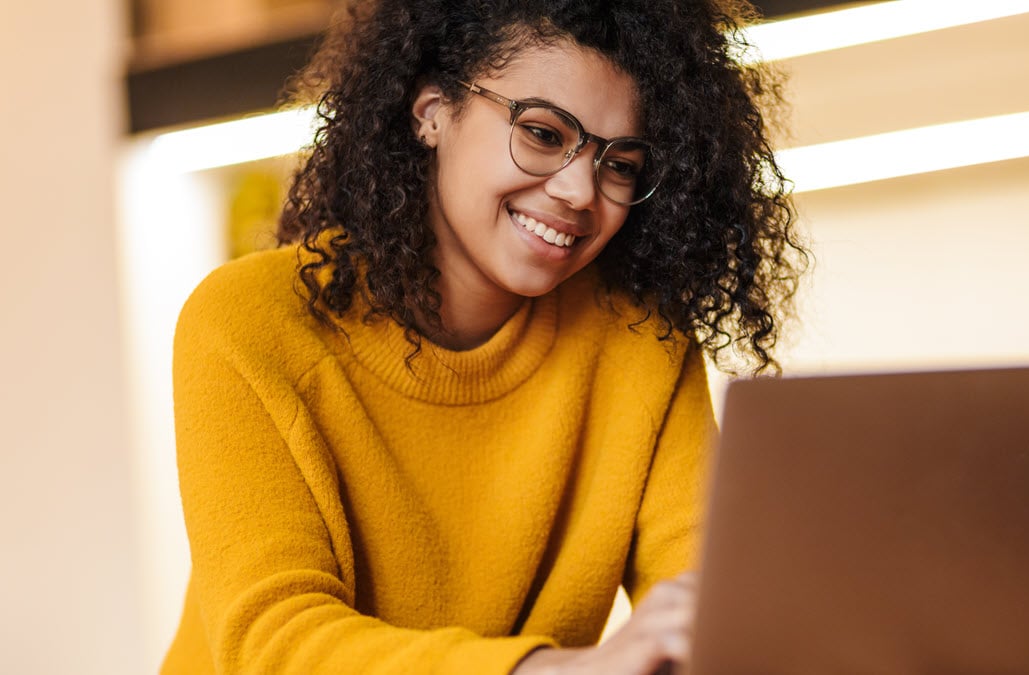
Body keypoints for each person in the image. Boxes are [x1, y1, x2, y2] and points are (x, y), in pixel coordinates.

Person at [161, 0, 805, 672]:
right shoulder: (249, 321)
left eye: (620, 165)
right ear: (432, 111)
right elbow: (274, 640)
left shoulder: (640, 340)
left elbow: (706, 594)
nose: (580, 190)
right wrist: (561, 668)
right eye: (544, 133)